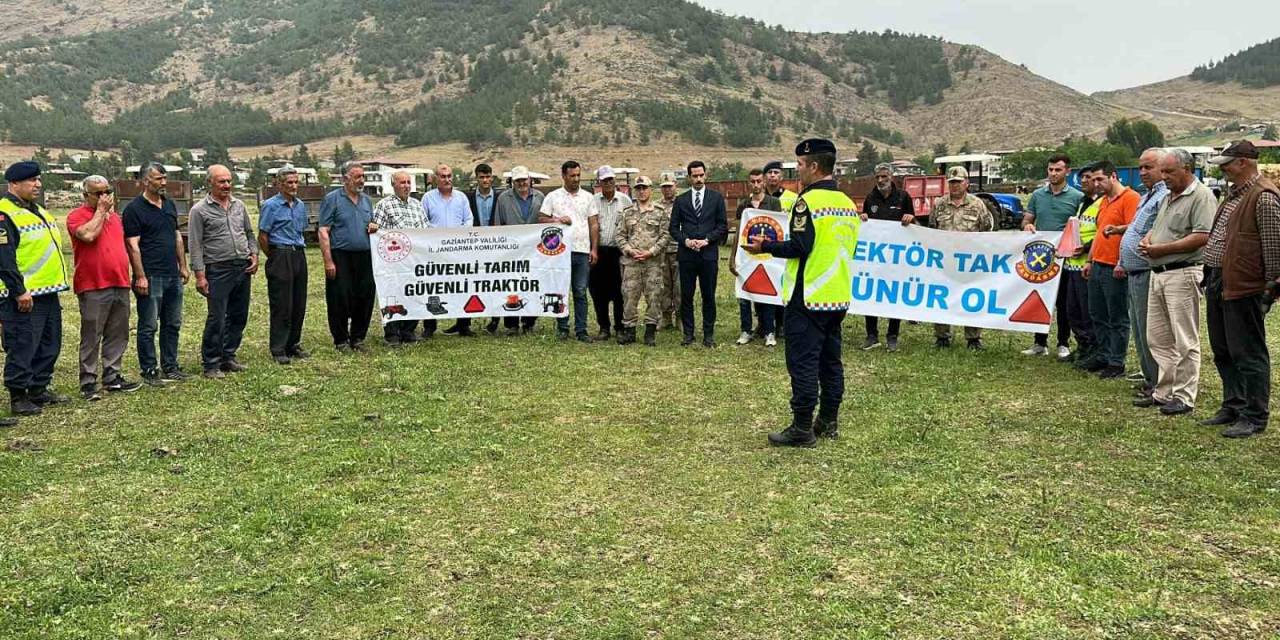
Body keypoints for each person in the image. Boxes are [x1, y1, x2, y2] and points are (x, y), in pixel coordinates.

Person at [744, 139, 860, 447]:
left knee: (803, 363)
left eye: (801, 164)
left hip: (807, 294)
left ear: (814, 166)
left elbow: (799, 246)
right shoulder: (848, 205)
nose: (798, 170)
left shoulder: (807, 203)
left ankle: (802, 427)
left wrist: (765, 246)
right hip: (838, 295)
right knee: (831, 361)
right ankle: (829, 420)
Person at [1200, 141, 1280, 438]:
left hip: (1244, 283)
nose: (1222, 169)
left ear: (1244, 162)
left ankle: (1255, 415)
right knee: (1223, 348)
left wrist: (1270, 286)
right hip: (1221, 278)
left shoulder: (1264, 197)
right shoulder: (1235, 195)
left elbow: (1274, 247)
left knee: (1248, 352)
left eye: (1227, 163)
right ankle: (1233, 404)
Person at [1133, 149, 1215, 416]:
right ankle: (1164, 390)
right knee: (1157, 337)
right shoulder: (1169, 197)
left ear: (1187, 169)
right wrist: (1148, 241)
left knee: (1184, 338)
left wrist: (1162, 249)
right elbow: (1158, 230)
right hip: (1159, 272)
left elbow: (1202, 236)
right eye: (1163, 171)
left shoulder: (1201, 196)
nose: (1164, 177)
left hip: (1183, 272)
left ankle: (1184, 395)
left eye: (1169, 172)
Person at [0, 161, 72, 420]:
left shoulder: (37, 210)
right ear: (14, 183)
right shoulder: (4, 213)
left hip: (47, 291)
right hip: (22, 294)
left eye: (38, 180)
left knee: (49, 343)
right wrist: (19, 290)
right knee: (22, 345)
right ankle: (19, 395)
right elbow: (4, 258)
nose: (38, 184)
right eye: (31, 180)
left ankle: (39, 388)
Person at [66, 175, 141, 400]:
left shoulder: (116, 219)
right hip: (92, 285)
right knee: (92, 334)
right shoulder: (76, 216)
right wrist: (100, 212)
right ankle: (88, 381)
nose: (104, 197)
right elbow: (88, 236)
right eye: (98, 193)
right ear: (85, 195)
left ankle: (112, 376)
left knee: (118, 333)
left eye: (107, 192)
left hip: (119, 282)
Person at [188, 165, 258, 379]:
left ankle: (228, 355)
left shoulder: (239, 205)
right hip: (217, 269)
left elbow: (248, 232)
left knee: (238, 315)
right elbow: (195, 244)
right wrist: (200, 275)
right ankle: (211, 363)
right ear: (210, 183)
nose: (227, 185)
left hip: (242, 267)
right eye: (222, 181)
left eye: (229, 181)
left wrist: (254, 254)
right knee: (217, 317)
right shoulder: (199, 210)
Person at [123, 162, 191, 384]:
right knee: (149, 325)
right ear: (145, 181)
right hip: (151, 276)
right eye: (158, 179)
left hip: (172, 274)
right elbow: (133, 245)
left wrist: (183, 265)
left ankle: (170, 366)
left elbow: (176, 236)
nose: (163, 183)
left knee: (173, 323)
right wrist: (140, 276)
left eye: (164, 178)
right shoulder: (134, 209)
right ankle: (150, 369)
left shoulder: (169, 205)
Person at [1115, 149, 1170, 395]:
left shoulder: (1165, 196)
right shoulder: (1147, 196)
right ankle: (1150, 375)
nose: (1143, 172)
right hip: (1134, 271)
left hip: (1148, 271)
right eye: (1141, 167)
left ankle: (1158, 381)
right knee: (1138, 328)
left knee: (1152, 330)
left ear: (1163, 168)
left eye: (1149, 167)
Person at [1021, 154, 1084, 356]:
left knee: (1064, 302)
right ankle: (1039, 342)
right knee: (1039, 298)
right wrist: (1028, 225)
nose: (1053, 173)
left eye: (1058, 169)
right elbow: (1027, 220)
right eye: (1050, 169)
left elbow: (1080, 227)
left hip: (1065, 258)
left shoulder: (1077, 197)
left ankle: (1063, 342)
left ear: (1068, 171)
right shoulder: (1038, 195)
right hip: (1041, 257)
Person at [1083, 161, 1140, 379]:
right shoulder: (1103, 201)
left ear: (1113, 176)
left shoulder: (1130, 198)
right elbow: (1099, 234)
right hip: (1098, 263)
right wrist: (1089, 260)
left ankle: (1117, 361)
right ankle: (1103, 354)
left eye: (1100, 179)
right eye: (1093, 179)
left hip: (1114, 266)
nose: (1095, 184)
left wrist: (1122, 262)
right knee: (1097, 313)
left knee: (1117, 316)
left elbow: (1132, 233)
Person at [930, 167, 994, 350]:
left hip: (969, 262)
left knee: (971, 298)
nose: (955, 185)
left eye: (958, 181)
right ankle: (942, 336)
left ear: (966, 183)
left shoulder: (978, 204)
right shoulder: (939, 204)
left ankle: (973, 338)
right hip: (945, 261)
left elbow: (986, 230)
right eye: (952, 182)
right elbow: (932, 229)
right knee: (942, 297)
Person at [538, 160, 599, 342]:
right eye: (572, 176)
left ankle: (581, 330)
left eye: (578, 175)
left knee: (580, 291)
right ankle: (562, 327)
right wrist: (556, 220)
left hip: (581, 250)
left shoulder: (588, 197)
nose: (576, 179)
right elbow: (541, 219)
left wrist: (594, 249)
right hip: (559, 252)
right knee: (560, 290)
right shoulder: (553, 197)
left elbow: (594, 224)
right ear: (564, 176)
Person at [669, 160, 727, 347]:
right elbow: (673, 228)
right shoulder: (681, 200)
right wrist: (685, 240)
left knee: (708, 296)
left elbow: (722, 226)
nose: (698, 179)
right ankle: (688, 334)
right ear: (689, 178)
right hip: (687, 256)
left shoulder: (716, 198)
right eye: (695, 176)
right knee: (686, 296)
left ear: (706, 175)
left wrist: (708, 240)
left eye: (701, 175)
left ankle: (708, 335)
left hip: (708, 255)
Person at [319, 161, 376, 352]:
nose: (362, 181)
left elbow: (371, 224)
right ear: (345, 178)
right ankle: (341, 339)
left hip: (364, 256)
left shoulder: (367, 201)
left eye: (363, 177)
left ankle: (358, 338)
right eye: (357, 177)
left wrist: (374, 227)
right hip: (341, 255)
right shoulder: (332, 199)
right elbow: (323, 231)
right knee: (340, 297)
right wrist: (328, 261)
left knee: (365, 296)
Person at [858, 163, 916, 352]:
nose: (881, 180)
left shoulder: (903, 197)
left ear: (891, 177)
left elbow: (913, 224)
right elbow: (864, 223)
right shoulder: (870, 198)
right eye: (878, 177)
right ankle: (871, 335)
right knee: (871, 293)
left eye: (884, 176)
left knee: (894, 295)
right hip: (874, 258)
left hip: (896, 259)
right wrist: (864, 218)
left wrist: (909, 218)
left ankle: (892, 336)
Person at [257, 164, 311, 364]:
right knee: (282, 304)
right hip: (280, 254)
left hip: (299, 254)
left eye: (296, 182)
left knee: (299, 302)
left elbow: (301, 231)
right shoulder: (271, 206)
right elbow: (263, 235)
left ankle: (293, 344)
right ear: (279, 184)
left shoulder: (300, 205)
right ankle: (278, 348)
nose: (293, 186)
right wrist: (273, 256)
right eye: (289, 182)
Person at [371, 170, 428, 346]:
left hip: (414, 261)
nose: (406, 186)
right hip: (392, 261)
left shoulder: (417, 205)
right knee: (392, 295)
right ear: (393, 185)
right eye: (402, 183)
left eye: (408, 182)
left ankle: (408, 330)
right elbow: (377, 230)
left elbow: (426, 231)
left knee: (414, 293)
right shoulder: (384, 205)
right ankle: (392, 333)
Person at [421, 163, 476, 337]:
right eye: (443, 176)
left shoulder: (461, 198)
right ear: (436, 179)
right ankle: (430, 326)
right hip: (434, 251)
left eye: (449, 176)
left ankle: (463, 324)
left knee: (461, 285)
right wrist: (438, 236)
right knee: (432, 287)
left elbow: (469, 219)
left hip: (458, 250)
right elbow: (423, 221)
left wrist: (458, 235)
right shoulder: (427, 198)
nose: (447, 179)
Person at [728, 168, 781, 346]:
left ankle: (769, 331)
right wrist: (732, 257)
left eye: (759, 181)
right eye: (753, 181)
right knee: (744, 295)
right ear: (749, 183)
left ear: (764, 182)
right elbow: (738, 233)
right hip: (746, 257)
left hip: (767, 256)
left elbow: (779, 230)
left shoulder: (774, 203)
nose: (756, 185)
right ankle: (745, 330)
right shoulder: (744, 206)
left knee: (767, 295)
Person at [616, 176, 669, 346]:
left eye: (644, 188)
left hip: (652, 263)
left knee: (654, 297)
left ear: (650, 189)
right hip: (631, 263)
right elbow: (620, 235)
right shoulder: (627, 212)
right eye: (638, 188)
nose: (641, 191)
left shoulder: (660, 212)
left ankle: (650, 332)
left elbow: (665, 236)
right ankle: (629, 331)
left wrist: (651, 252)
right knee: (629, 297)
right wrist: (629, 250)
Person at [491, 166, 544, 335]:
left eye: (524, 179)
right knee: (511, 285)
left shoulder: (540, 197)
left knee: (533, 285)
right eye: (518, 180)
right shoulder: (503, 198)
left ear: (530, 179)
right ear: (512, 182)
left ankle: (529, 322)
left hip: (535, 251)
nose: (522, 183)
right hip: (511, 251)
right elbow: (498, 225)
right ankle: (511, 324)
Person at [1060, 164, 1101, 369]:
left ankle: (1094, 349)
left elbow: (1102, 233)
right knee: (1072, 310)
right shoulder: (1082, 202)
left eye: (1089, 177)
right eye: (1082, 177)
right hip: (1072, 264)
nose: (1085, 181)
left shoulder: (1103, 203)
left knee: (1088, 311)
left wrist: (1086, 249)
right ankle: (1083, 346)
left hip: (1087, 263)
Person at [589, 166, 632, 340]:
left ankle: (620, 327)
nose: (608, 183)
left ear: (615, 181)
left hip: (618, 252)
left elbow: (632, 225)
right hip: (598, 251)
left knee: (619, 291)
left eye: (611, 180)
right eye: (604, 180)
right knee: (598, 291)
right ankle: (603, 327)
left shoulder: (625, 201)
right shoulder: (592, 201)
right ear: (599, 182)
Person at [468, 163, 502, 336]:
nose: (485, 180)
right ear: (477, 178)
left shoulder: (500, 197)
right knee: (468, 282)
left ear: (492, 178)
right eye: (482, 177)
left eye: (488, 177)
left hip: (496, 247)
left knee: (495, 283)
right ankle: (463, 323)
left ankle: (495, 320)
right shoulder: (468, 198)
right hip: (473, 246)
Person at [657, 174, 680, 330]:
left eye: (669, 186)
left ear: (675, 185)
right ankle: (665, 317)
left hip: (679, 250)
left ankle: (680, 317)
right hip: (662, 251)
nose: (667, 189)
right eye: (664, 186)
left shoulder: (683, 203)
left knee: (680, 286)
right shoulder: (655, 206)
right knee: (664, 286)